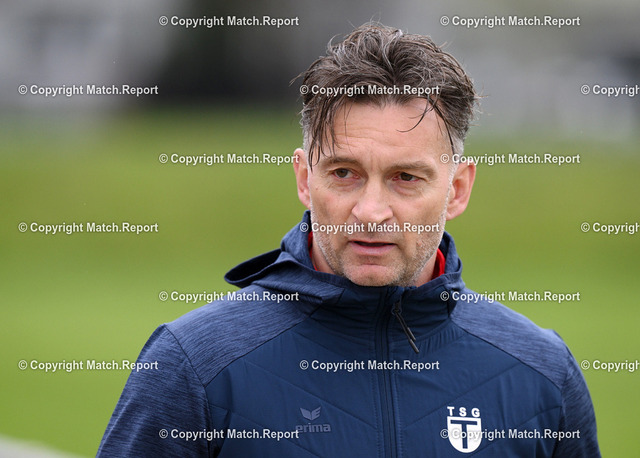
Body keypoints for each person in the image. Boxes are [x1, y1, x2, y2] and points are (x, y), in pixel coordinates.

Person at [97, 22, 600, 457]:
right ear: (304, 179)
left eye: (406, 177)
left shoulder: (542, 374)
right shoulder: (193, 365)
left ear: (458, 189)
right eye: (344, 173)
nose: (370, 212)